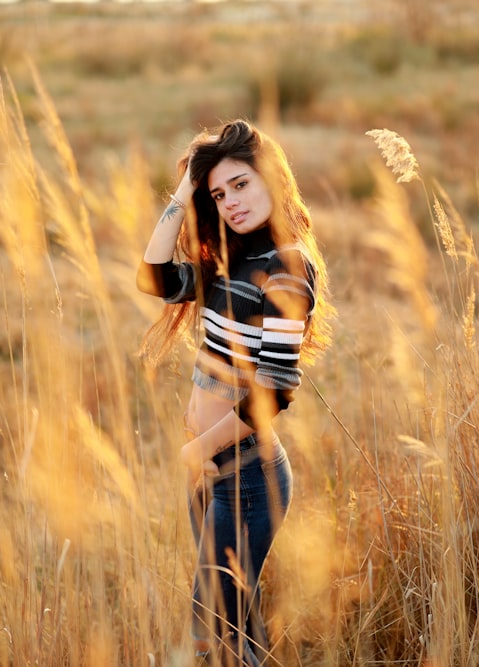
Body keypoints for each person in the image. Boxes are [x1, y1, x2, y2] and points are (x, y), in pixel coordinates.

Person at [136, 119, 333, 666]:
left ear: (272, 177)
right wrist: (186, 189)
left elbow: (274, 393)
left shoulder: (287, 269)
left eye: (241, 184)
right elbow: (151, 276)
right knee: (234, 630)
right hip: (211, 468)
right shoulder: (226, 262)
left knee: (210, 633)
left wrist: (200, 448)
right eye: (219, 194)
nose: (231, 202)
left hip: (247, 476)